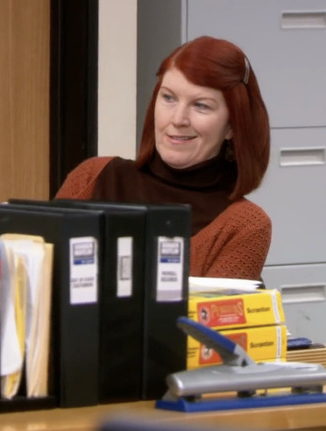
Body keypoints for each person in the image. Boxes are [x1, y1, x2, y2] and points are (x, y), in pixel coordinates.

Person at [55, 36, 271, 280]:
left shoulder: (245, 225)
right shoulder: (92, 176)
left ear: (233, 125)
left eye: (201, 105)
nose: (178, 119)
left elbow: (205, 318)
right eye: (169, 98)